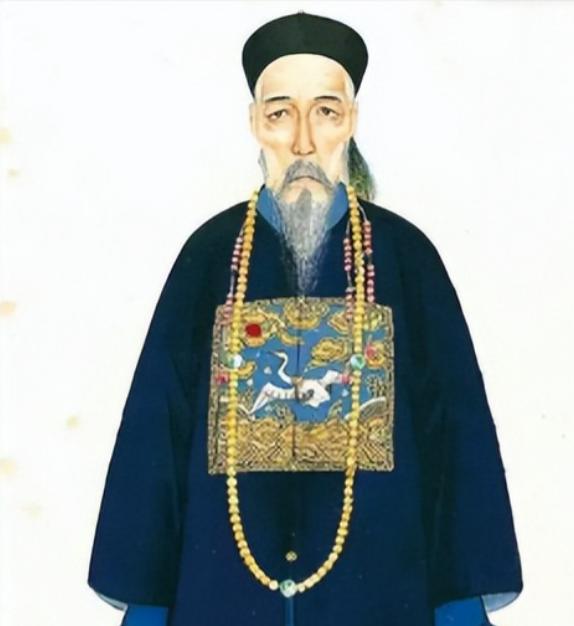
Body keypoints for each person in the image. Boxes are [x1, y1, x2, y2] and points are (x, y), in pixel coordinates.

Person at [87, 11, 523, 626]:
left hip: (381, 600)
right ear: (254, 124)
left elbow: (457, 440)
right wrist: (148, 609)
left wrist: (459, 611)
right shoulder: (208, 259)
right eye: (279, 114)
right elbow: (154, 439)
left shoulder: (408, 259)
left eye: (325, 111)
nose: (302, 142)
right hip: (223, 601)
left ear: (352, 121)